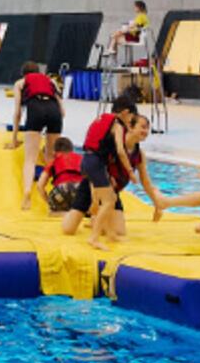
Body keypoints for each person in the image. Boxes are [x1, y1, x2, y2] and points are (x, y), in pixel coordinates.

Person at [77, 97, 154, 249]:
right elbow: (120, 150)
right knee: (109, 202)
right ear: (126, 113)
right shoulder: (117, 125)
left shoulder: (102, 119)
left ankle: (110, 233)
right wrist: (131, 172)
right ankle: (94, 238)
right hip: (95, 162)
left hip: (88, 159)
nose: (131, 122)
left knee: (109, 198)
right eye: (132, 118)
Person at [10, 62, 64, 208]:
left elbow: (18, 113)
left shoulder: (20, 82)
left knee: (30, 159)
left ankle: (27, 193)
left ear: (24, 73)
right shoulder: (50, 81)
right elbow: (63, 111)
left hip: (36, 108)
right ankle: (57, 191)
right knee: (51, 158)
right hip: (54, 111)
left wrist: (14, 139)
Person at [43, 137, 91, 237]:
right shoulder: (81, 158)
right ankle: (81, 214)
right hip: (80, 189)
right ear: (72, 149)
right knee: (85, 208)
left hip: (62, 189)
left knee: (51, 212)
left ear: (55, 152)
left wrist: (48, 201)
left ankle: (63, 213)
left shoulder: (55, 160)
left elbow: (40, 185)